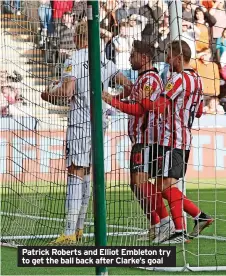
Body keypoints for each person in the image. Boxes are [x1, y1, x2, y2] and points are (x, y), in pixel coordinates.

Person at [41, 22, 132, 245]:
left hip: (80, 125)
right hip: (100, 126)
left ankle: (69, 231)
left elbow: (66, 92)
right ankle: (79, 229)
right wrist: (111, 102)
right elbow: (129, 86)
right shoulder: (105, 62)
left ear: (77, 38)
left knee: (74, 173)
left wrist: (46, 94)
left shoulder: (73, 60)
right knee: (88, 174)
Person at [137, 40, 214, 243]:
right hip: (184, 139)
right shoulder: (197, 79)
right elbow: (198, 112)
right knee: (164, 185)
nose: (167, 60)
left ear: (179, 58)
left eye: (169, 56)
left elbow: (159, 107)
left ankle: (180, 230)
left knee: (164, 186)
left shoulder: (177, 78)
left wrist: (143, 98)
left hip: (171, 138)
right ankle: (199, 217)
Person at [102, 40, 175, 244]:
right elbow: (132, 96)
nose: (129, 57)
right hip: (140, 139)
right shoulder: (142, 79)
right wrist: (116, 98)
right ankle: (155, 224)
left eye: (133, 55)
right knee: (136, 185)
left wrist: (110, 100)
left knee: (140, 183)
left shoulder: (150, 79)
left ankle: (166, 223)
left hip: (147, 139)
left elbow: (139, 109)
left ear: (143, 58)